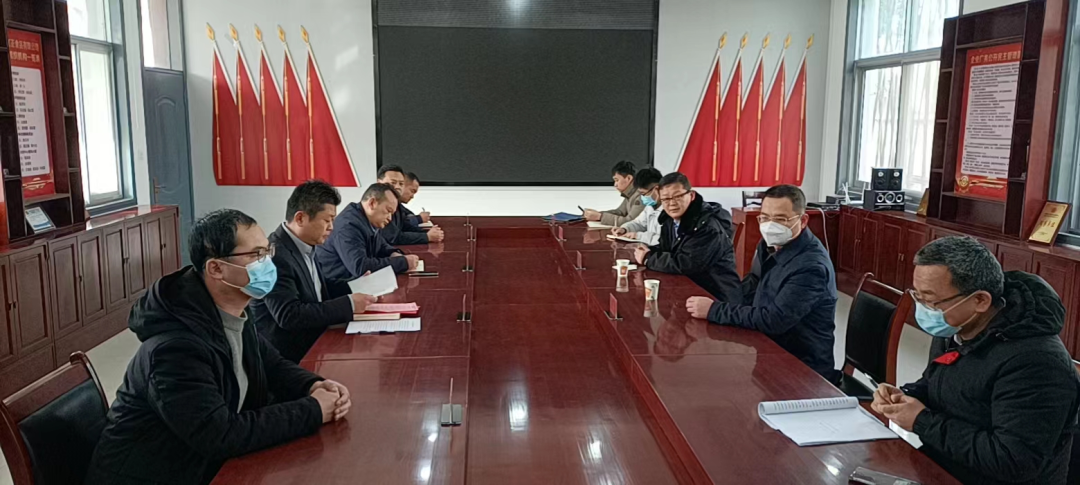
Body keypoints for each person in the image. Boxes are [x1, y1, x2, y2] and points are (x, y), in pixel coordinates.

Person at [85, 209, 352, 485]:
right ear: (216, 268)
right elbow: (219, 435)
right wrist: (313, 410)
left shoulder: (232, 311)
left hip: (200, 466)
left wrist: (313, 385)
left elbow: (272, 364)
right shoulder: (175, 349)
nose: (268, 263)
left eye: (267, 252)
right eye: (256, 255)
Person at [871, 236, 1079, 485]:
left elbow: (1013, 461)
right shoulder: (956, 327)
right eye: (918, 296)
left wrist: (921, 420)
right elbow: (937, 383)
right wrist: (904, 396)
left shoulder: (1037, 364)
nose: (924, 309)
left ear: (980, 300)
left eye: (931, 301)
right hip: (942, 464)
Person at [685, 184, 839, 382]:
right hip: (767, 348)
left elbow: (774, 320)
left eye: (781, 219)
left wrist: (715, 310)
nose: (770, 225)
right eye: (764, 218)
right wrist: (722, 300)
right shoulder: (770, 244)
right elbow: (752, 285)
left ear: (802, 221)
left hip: (802, 368)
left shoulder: (811, 267)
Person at [249, 181, 378, 363]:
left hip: (314, 341)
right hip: (289, 357)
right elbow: (289, 315)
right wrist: (349, 304)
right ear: (300, 218)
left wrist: (358, 285)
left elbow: (318, 288)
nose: (331, 227)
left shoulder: (305, 244)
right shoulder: (276, 255)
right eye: (327, 220)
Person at [635, 172, 740, 303]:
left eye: (677, 196)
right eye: (666, 199)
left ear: (691, 195)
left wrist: (648, 258)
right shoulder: (669, 220)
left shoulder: (707, 226)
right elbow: (667, 248)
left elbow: (686, 264)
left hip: (716, 297)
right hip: (688, 289)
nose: (672, 203)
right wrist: (649, 250)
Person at [316, 183, 419, 280]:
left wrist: (393, 253)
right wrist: (402, 263)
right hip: (338, 286)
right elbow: (360, 267)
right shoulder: (349, 226)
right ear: (372, 203)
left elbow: (381, 245)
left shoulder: (367, 219)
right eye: (388, 211)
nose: (389, 218)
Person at [376, 165, 444, 245]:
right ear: (379, 183)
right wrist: (426, 236)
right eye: (393, 183)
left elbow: (404, 227)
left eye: (401, 184)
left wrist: (428, 232)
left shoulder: (397, 205)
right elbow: (393, 237)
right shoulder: (378, 205)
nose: (397, 187)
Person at [583, 160, 644, 226]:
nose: (615, 185)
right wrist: (598, 214)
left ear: (628, 178)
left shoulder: (641, 195)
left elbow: (630, 222)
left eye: (617, 180)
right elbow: (620, 212)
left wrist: (600, 216)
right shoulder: (631, 193)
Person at [611, 167, 663, 245]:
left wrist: (638, 236)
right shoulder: (650, 207)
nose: (642, 198)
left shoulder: (669, 209)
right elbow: (639, 223)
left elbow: (665, 239)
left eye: (643, 194)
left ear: (656, 189)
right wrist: (625, 229)